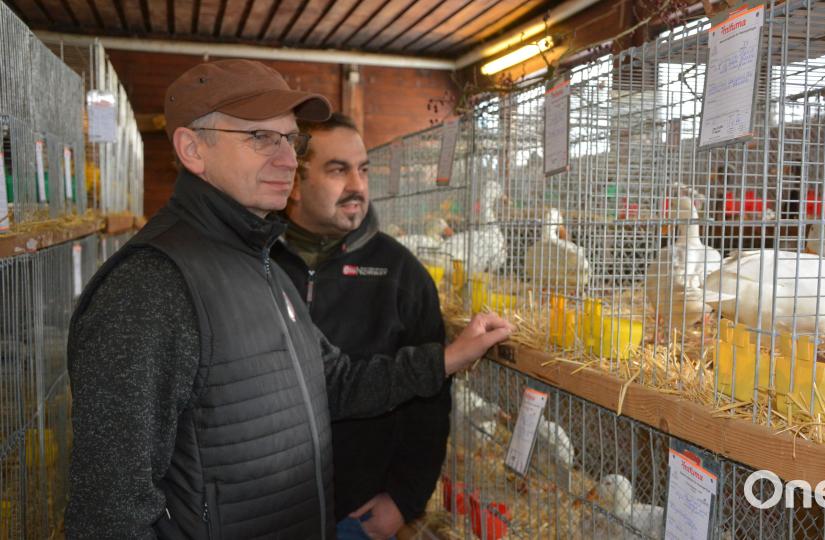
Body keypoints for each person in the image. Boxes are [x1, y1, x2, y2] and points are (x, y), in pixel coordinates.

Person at [65, 59, 511, 539]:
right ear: (193, 150)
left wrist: (447, 359)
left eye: (289, 140)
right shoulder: (152, 287)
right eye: (260, 138)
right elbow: (109, 510)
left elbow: (334, 381)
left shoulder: (262, 264)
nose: (286, 159)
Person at [271, 113, 447, 539]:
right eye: (338, 170)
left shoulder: (400, 274)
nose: (357, 186)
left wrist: (405, 499)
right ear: (296, 180)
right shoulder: (256, 265)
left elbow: (432, 404)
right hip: (267, 509)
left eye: (363, 169)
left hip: (361, 511)